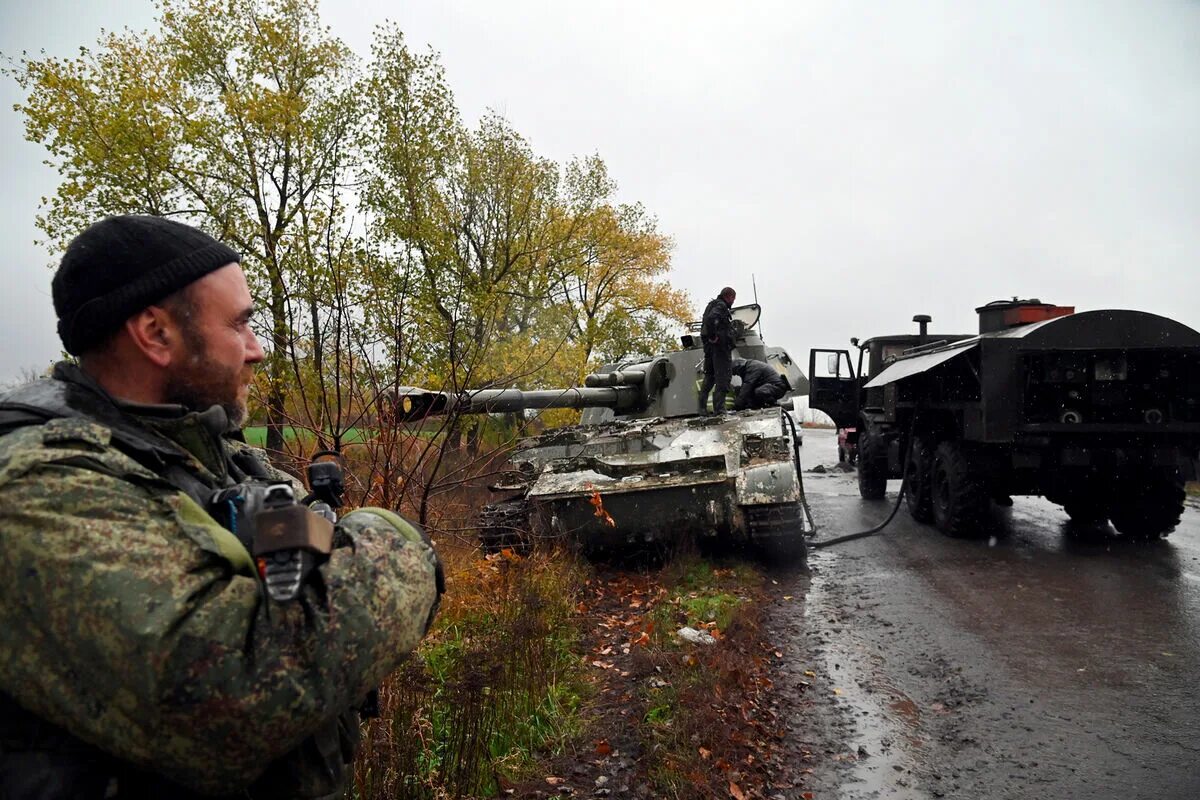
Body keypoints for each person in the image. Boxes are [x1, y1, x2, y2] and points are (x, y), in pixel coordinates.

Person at [0, 215, 444, 799]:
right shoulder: (40, 481)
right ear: (156, 334)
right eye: (240, 324)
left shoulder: (205, 452)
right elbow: (236, 689)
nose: (257, 351)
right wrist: (396, 538)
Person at [697, 286, 737, 413]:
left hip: (709, 348)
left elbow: (707, 321)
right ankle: (719, 409)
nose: (733, 301)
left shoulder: (711, 305)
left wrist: (710, 338)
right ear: (729, 297)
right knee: (723, 377)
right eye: (733, 299)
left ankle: (702, 408)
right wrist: (714, 336)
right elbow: (711, 319)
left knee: (710, 377)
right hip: (720, 348)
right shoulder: (721, 306)